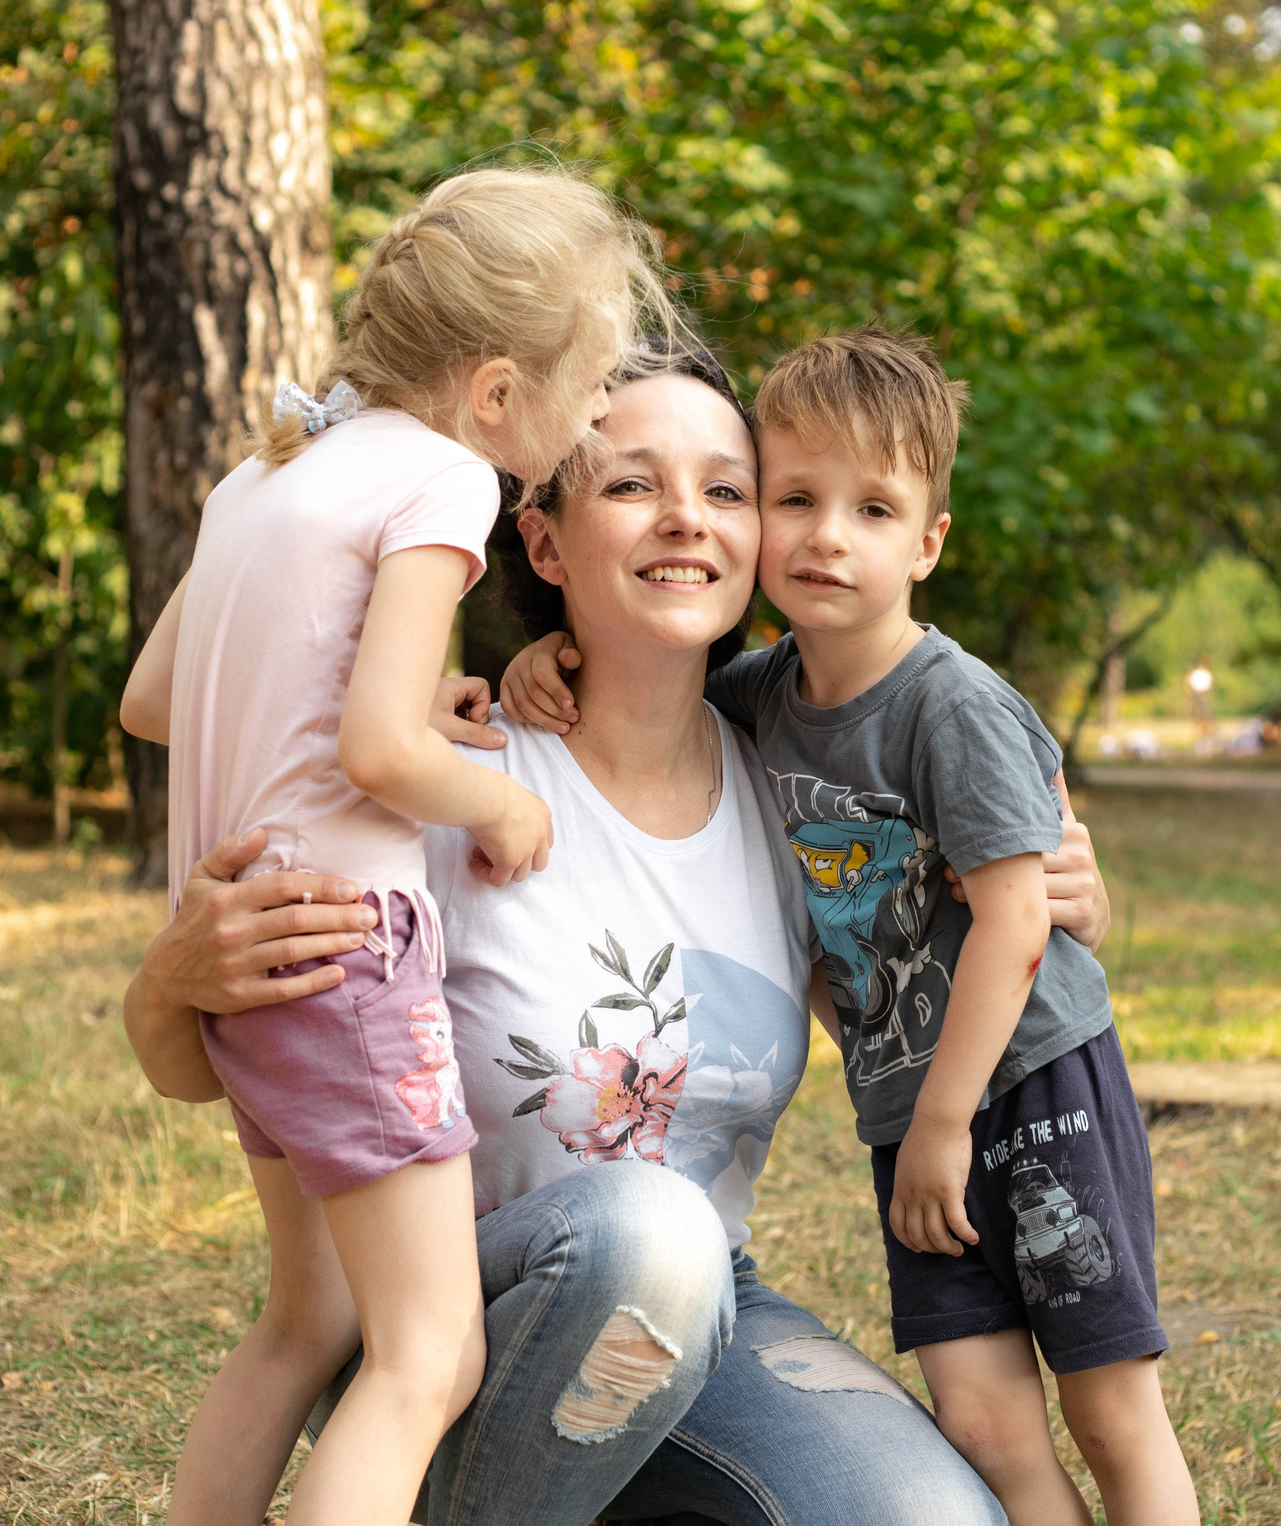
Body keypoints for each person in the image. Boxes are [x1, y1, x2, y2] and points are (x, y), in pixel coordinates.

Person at [121, 347, 1116, 1525]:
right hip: (456, 1326)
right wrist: (168, 986)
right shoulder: (446, 777)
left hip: (706, 1319)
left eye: (730, 489)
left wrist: (1061, 905)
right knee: (650, 1230)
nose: (686, 518)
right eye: (632, 484)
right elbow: (217, 1078)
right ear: (542, 542)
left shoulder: (798, 794)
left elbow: (929, 990)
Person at [505, 328, 1196, 1526]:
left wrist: (944, 1118)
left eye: (873, 510)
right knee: (982, 1422)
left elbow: (1023, 917)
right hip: (904, 1119)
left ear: (928, 541)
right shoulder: (756, 704)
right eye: (793, 499)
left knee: (1108, 1409)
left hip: (1030, 1087)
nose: (826, 535)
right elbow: (645, 689)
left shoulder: (952, 703)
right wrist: (540, 658)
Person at [117, 167, 682, 1526]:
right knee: (428, 1351)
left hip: (255, 960)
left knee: (306, 1318)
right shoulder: (443, 479)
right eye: (593, 383)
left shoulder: (275, 464)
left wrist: (378, 705)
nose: (598, 411)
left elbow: (154, 700)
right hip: (352, 959)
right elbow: (379, 754)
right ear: (497, 394)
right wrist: (499, 802)